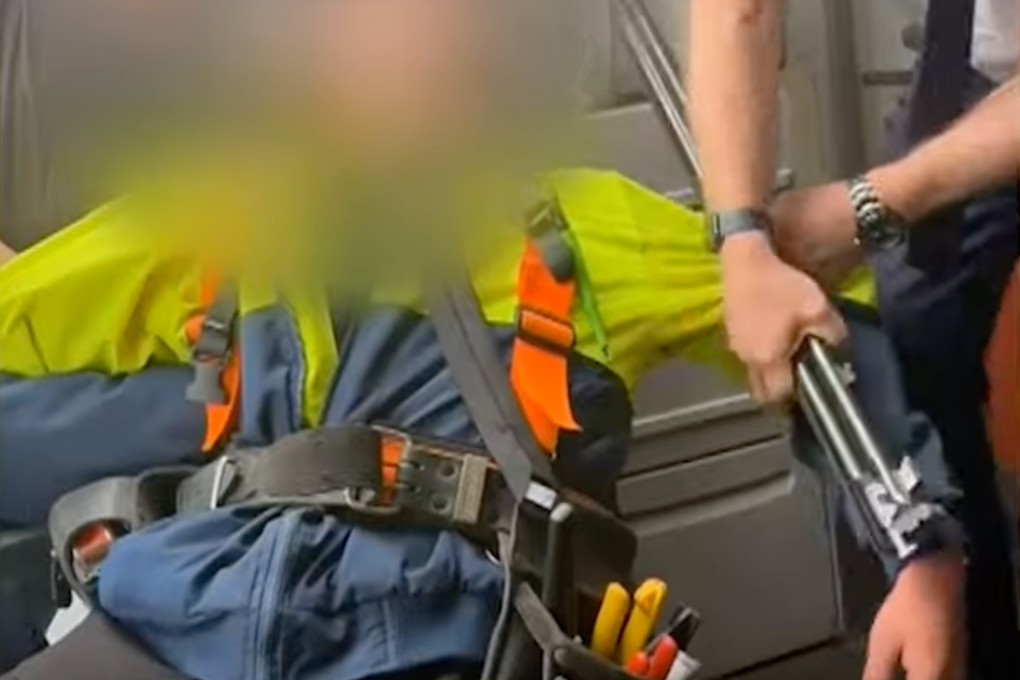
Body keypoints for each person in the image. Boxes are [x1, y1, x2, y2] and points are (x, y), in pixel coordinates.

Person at [0, 2, 965, 680]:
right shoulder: (218, 220)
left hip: (444, 628)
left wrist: (923, 556)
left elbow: (821, 348)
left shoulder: (586, 229)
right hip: (171, 616)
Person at [686, 1, 1018, 679]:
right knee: (897, 358)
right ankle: (956, 625)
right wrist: (743, 241)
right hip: (976, 73)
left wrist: (871, 204)